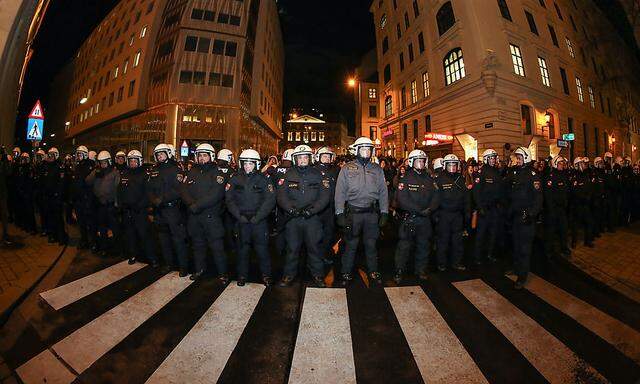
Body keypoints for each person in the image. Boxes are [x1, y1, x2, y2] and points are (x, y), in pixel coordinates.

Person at [335, 137, 389, 286]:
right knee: (351, 244)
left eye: (368, 149)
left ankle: (373, 271)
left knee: (371, 245)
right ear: (357, 151)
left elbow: (384, 192)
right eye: (363, 149)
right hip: (353, 213)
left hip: (371, 214)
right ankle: (346, 272)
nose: (366, 152)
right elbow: (340, 192)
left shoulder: (377, 169)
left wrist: (384, 212)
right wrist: (339, 213)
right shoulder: (347, 168)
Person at [276, 145, 331, 287]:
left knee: (314, 248)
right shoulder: (287, 175)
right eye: (300, 157)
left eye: (305, 157)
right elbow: (281, 196)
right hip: (293, 219)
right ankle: (289, 275)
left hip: (312, 219)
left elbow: (324, 197)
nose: (303, 160)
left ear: (310, 158)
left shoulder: (318, 175)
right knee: (292, 249)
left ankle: (318, 275)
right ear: (295, 159)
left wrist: (312, 211)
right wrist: (291, 210)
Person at [225, 149, 276, 286]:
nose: (247, 166)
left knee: (262, 250)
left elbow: (270, 200)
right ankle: (242, 276)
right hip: (241, 220)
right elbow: (229, 200)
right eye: (245, 164)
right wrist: (238, 216)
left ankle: (266, 275)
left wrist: (258, 217)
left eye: (250, 164)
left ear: (256, 164)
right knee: (242, 250)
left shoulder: (264, 179)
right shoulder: (235, 178)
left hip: (258, 221)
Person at [181, 143, 228, 283]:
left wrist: (197, 205)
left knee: (217, 247)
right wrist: (190, 204)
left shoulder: (218, 173)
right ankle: (199, 270)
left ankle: (222, 273)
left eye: (204, 155)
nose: (202, 158)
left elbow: (216, 194)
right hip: (194, 217)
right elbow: (183, 190)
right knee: (197, 245)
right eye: (199, 155)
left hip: (211, 217)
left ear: (211, 156)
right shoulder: (192, 172)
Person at [394, 149, 439, 283]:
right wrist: (419, 211)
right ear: (412, 162)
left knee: (424, 245)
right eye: (418, 161)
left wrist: (430, 209)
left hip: (425, 219)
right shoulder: (405, 178)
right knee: (404, 247)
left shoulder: (429, 179)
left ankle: (420, 269)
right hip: (410, 218)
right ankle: (399, 271)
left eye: (422, 161)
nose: (421, 163)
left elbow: (436, 196)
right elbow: (402, 200)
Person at [147, 143, 190, 277]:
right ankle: (168, 264)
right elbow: (149, 188)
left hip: (172, 209)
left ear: (168, 154)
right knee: (163, 239)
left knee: (178, 239)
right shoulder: (154, 170)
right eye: (158, 154)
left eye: (162, 154)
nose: (159, 156)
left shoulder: (175, 169)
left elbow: (179, 190)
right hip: (159, 210)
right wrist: (153, 200)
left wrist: (163, 199)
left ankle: (183, 267)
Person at [506, 147, 543, 289]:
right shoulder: (515, 172)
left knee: (524, 248)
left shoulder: (533, 175)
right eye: (517, 158)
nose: (518, 160)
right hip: (515, 216)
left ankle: (522, 276)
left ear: (526, 158)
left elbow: (538, 198)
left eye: (520, 157)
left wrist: (531, 214)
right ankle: (516, 268)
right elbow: (508, 189)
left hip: (526, 217)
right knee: (515, 245)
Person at [118, 150, 158, 266]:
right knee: (130, 235)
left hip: (139, 211)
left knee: (145, 235)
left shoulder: (145, 175)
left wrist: (139, 205)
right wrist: (121, 205)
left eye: (135, 161)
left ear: (139, 161)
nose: (133, 163)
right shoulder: (124, 173)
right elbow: (119, 191)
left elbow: (148, 194)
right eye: (131, 161)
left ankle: (152, 257)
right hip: (128, 211)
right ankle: (132, 254)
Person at [434, 154, 470, 271]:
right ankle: (441, 263)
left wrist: (467, 213)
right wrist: (436, 216)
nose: (452, 167)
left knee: (457, 241)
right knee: (443, 240)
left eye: (454, 165)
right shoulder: (439, 179)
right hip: (444, 215)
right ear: (445, 166)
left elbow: (466, 198)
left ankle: (456, 262)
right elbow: (435, 199)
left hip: (457, 215)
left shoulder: (460, 179)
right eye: (450, 165)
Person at [86, 151, 121, 255]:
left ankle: (117, 248)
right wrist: (94, 174)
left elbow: (117, 189)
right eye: (101, 163)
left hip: (110, 204)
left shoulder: (115, 173)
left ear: (109, 161)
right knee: (102, 227)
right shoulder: (97, 172)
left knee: (115, 228)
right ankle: (104, 247)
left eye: (104, 162)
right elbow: (87, 181)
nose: (103, 165)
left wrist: (116, 203)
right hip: (100, 205)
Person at [314, 146, 340, 267]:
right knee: (316, 234)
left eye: (328, 156)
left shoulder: (335, 170)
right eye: (324, 156)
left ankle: (325, 254)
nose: (326, 158)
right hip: (318, 209)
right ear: (318, 157)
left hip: (330, 208)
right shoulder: (313, 170)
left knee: (329, 233)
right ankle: (316, 257)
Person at [543, 156, 571, 260]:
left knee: (563, 229)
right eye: (560, 163)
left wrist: (565, 203)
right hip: (553, 209)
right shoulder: (550, 176)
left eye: (563, 163)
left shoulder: (563, 175)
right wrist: (551, 209)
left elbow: (566, 191)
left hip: (561, 208)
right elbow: (548, 194)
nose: (562, 165)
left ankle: (564, 247)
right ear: (555, 164)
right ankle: (548, 250)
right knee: (551, 230)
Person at [71, 146, 96, 249]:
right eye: (77, 154)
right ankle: (84, 241)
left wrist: (88, 198)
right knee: (81, 223)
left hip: (87, 199)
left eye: (80, 154)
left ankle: (93, 242)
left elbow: (89, 183)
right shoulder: (78, 166)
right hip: (79, 199)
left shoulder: (90, 165)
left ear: (85, 155)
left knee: (90, 222)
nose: (78, 156)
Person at [42, 147, 67, 244]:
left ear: (56, 156)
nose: (50, 157)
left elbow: (61, 183)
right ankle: (53, 235)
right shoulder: (47, 166)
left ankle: (61, 237)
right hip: (49, 197)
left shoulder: (60, 166)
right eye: (49, 155)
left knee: (58, 218)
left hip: (56, 197)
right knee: (50, 217)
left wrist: (58, 195)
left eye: (52, 155)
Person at [570, 157, 594, 248]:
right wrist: (583, 197)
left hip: (586, 204)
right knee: (575, 224)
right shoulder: (574, 175)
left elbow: (589, 187)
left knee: (589, 222)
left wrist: (589, 196)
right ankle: (574, 241)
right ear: (578, 165)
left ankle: (587, 241)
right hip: (578, 204)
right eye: (582, 163)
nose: (584, 165)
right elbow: (574, 191)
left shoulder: (585, 174)